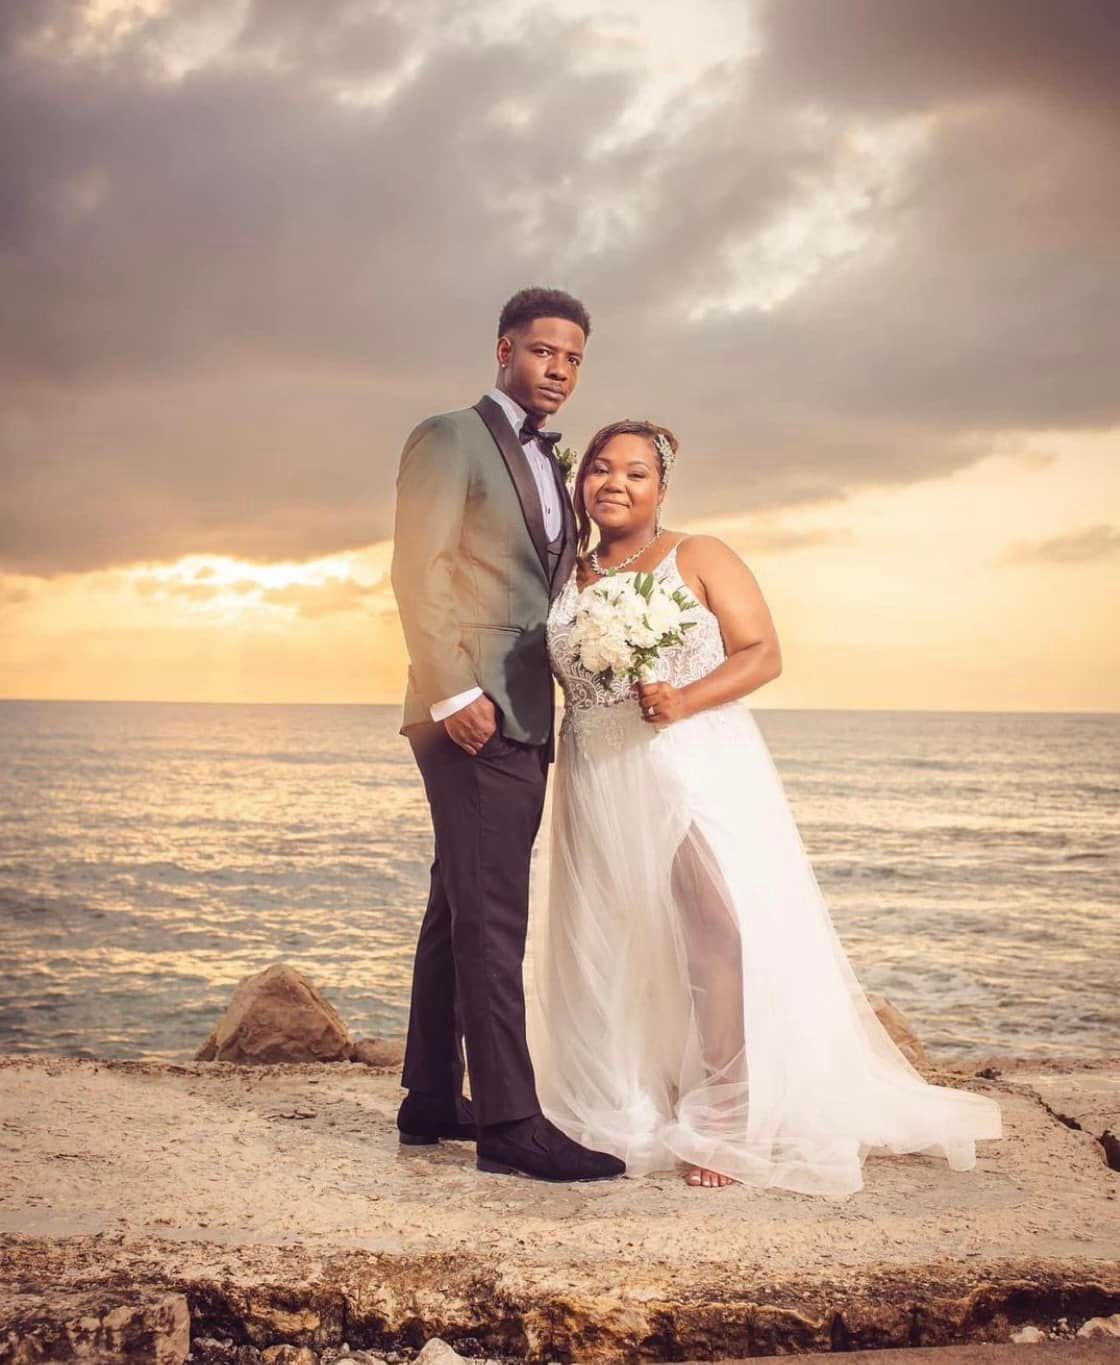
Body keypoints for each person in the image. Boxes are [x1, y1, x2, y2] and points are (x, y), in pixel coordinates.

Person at [527, 420, 1003, 1195]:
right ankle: (624, 1098)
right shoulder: (564, 574)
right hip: (592, 767)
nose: (613, 483)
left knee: (713, 927)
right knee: (606, 937)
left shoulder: (699, 555)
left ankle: (726, 1116)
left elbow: (763, 653)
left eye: (635, 473)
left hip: (680, 760)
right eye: (602, 470)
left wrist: (683, 696)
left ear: (661, 487)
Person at [389, 288, 625, 1182]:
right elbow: (419, 570)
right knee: (494, 916)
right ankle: (512, 1123)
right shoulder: (450, 436)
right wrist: (453, 690)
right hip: (472, 711)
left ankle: (430, 1097)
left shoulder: (551, 463)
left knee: (458, 901)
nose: (558, 369)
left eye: (572, 358)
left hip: (526, 706)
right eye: (542, 352)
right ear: (503, 350)